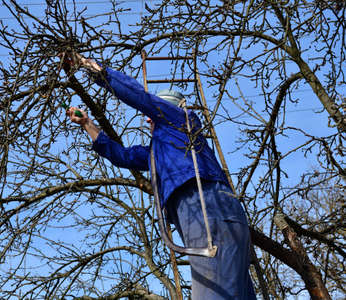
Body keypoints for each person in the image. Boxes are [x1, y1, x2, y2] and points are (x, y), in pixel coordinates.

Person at [63, 52, 257, 299]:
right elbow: (122, 155)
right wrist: (87, 124)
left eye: (152, 114)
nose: (146, 119)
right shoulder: (160, 151)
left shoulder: (180, 120)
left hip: (205, 207)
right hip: (214, 213)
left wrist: (87, 66)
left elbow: (139, 97)